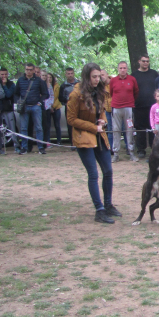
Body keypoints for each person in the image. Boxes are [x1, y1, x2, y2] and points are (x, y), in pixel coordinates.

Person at [66, 63, 122, 224]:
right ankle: (99, 210)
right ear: (86, 77)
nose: (97, 79)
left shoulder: (100, 92)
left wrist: (102, 122)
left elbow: (103, 111)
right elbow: (71, 119)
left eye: (99, 76)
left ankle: (108, 204)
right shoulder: (76, 94)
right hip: (84, 137)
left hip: (99, 135)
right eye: (94, 77)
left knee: (108, 171)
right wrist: (93, 127)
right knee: (93, 174)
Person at [15, 63, 49, 155]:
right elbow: (16, 93)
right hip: (25, 107)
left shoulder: (39, 81)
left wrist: (40, 102)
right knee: (23, 128)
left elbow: (45, 94)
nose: (28, 71)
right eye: (27, 69)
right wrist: (19, 101)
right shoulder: (20, 80)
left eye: (30, 69)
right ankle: (24, 148)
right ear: (25, 70)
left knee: (39, 128)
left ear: (34, 70)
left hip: (35, 106)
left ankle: (40, 147)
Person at [109, 61, 139, 162]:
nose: (122, 70)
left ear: (127, 69)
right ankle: (116, 153)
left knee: (129, 130)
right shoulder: (113, 80)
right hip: (116, 108)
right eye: (121, 68)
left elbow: (136, 92)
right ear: (118, 69)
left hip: (128, 108)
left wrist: (130, 102)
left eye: (124, 68)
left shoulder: (132, 79)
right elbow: (111, 92)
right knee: (116, 130)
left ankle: (131, 152)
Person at [132, 54, 159, 158]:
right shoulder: (134, 75)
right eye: (143, 61)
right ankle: (141, 149)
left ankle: (154, 148)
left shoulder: (154, 74)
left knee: (153, 128)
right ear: (139, 61)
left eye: (147, 61)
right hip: (139, 106)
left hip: (152, 106)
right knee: (140, 129)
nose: (145, 63)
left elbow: (158, 88)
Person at [0, 68, 21, 153]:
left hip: (8, 109)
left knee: (12, 129)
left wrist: (4, 85)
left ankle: (16, 146)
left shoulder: (11, 84)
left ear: (7, 75)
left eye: (5, 74)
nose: (4, 76)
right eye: (2, 74)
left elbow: (8, 95)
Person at [59, 67, 79, 144]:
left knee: (78, 124)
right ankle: (72, 142)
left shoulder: (78, 84)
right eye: (68, 74)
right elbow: (60, 98)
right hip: (68, 107)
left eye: (71, 73)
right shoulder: (63, 86)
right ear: (66, 74)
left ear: (73, 73)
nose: (70, 75)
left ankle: (78, 141)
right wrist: (68, 100)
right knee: (70, 125)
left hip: (78, 107)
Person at [46, 72, 62, 147]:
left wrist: (53, 106)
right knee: (47, 125)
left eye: (50, 77)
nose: (49, 79)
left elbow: (57, 97)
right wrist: (49, 107)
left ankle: (59, 140)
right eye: (47, 77)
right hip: (47, 108)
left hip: (56, 107)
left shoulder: (57, 86)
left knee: (57, 125)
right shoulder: (44, 86)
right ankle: (48, 141)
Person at [100, 69, 113, 150]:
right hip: (107, 110)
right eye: (99, 75)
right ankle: (110, 147)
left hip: (116, 108)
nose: (101, 77)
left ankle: (128, 148)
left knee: (123, 129)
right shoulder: (100, 86)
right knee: (110, 129)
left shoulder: (113, 82)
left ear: (107, 74)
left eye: (102, 74)